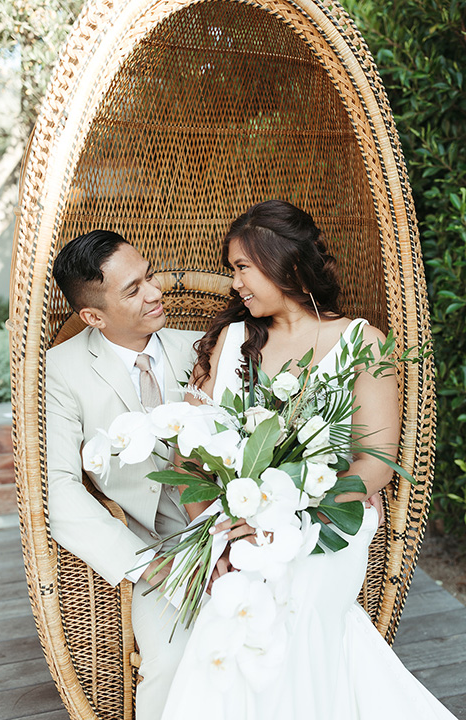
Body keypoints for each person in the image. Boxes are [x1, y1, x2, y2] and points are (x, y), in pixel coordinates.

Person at [160, 200, 457, 720]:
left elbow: (376, 463)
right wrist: (217, 531)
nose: (235, 285)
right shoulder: (232, 343)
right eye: (233, 270)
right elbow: (191, 457)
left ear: (287, 266)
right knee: (239, 601)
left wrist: (289, 520)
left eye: (242, 268)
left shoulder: (362, 343)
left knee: (293, 603)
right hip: (234, 522)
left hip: (331, 518)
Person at [46, 230, 202, 720]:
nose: (155, 292)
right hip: (150, 546)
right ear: (93, 316)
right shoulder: (60, 370)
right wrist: (144, 565)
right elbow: (58, 488)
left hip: (226, 525)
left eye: (149, 275)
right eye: (132, 290)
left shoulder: (202, 347)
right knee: (171, 660)